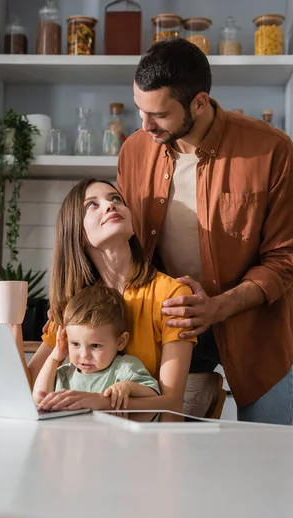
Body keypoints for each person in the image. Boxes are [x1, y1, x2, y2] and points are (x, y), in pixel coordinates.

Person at [117, 37, 293, 424]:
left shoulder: (271, 149)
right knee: (163, 463)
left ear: (199, 102)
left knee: (271, 461)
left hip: (257, 331)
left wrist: (217, 307)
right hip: (170, 327)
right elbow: (124, 246)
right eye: (139, 111)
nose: (144, 126)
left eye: (159, 115)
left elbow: (285, 258)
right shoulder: (134, 151)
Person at [0, 179, 196, 421]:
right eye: (92, 205)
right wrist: (10, 322)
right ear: (78, 234)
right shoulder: (75, 304)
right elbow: (27, 389)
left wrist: (99, 402)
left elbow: (172, 403)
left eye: (116, 199)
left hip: (144, 444)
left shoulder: (172, 294)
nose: (110, 206)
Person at [33, 285, 160, 411]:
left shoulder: (124, 368)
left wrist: (128, 387)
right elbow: (39, 399)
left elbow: (154, 395)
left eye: (95, 346)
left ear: (121, 341)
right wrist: (54, 358)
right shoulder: (64, 374)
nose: (84, 355)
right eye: (75, 344)